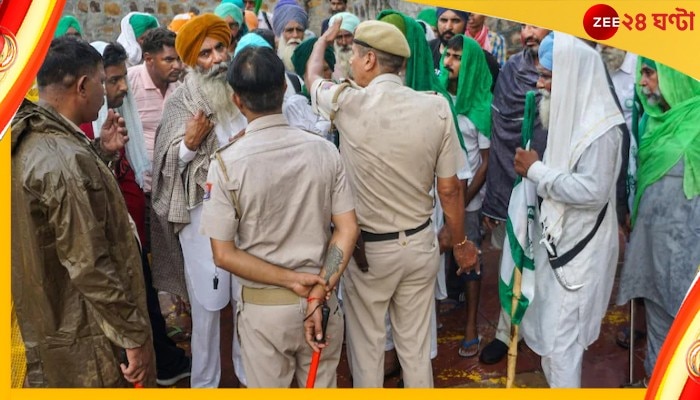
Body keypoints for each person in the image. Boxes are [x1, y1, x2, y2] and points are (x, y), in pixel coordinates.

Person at [307, 19, 479, 388]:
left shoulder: (347, 103)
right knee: (416, 351)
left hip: (372, 253)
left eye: (353, 54)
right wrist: (462, 243)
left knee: (368, 351)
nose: (351, 63)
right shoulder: (435, 108)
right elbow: (449, 189)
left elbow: (311, 79)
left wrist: (321, 41)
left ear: (369, 60)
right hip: (420, 245)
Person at [200, 46, 358, 387]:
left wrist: (291, 282)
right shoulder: (323, 149)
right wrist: (318, 290)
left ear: (236, 100)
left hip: (264, 311)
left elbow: (223, 254)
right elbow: (347, 228)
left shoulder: (226, 163)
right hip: (321, 299)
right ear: (285, 89)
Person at [11, 36, 155, 388]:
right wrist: (132, 334)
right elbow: (88, 262)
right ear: (83, 85)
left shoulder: (38, 137)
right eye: (103, 83)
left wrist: (100, 152)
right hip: (84, 333)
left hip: (53, 320)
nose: (107, 93)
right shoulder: (61, 158)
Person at [514, 32, 625, 388]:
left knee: (563, 348)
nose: (539, 83)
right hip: (558, 246)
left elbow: (592, 191)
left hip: (580, 257)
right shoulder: (569, 113)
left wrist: (536, 171)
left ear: (574, 74)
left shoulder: (601, 129)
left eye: (548, 76)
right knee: (552, 342)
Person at [86, 41, 192, 387]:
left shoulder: (117, 117)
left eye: (121, 79)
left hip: (132, 233)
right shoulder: (88, 130)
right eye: (112, 80)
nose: (121, 88)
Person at [150, 13, 247, 388]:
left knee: (244, 301)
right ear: (192, 61)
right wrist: (190, 144)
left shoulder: (243, 87)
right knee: (207, 308)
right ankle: (204, 384)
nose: (216, 59)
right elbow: (165, 162)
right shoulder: (181, 100)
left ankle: (246, 376)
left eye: (220, 48)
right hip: (201, 216)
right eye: (205, 53)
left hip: (245, 213)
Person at [616, 58, 700, 387]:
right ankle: (655, 384)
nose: (643, 83)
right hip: (652, 253)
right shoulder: (655, 123)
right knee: (658, 330)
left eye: (650, 73)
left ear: (677, 77)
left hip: (689, 266)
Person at [479, 23, 550, 365]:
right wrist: (498, 197)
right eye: (524, 26)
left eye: (536, 24)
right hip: (514, 187)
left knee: (549, 268)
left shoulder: (575, 70)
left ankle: (544, 333)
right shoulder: (510, 71)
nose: (528, 33)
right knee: (512, 262)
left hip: (556, 188)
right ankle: (506, 333)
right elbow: (501, 135)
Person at [440, 34, 492, 358]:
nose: (448, 63)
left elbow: (485, 164)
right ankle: (451, 296)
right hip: (444, 193)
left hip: (469, 197)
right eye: (448, 55)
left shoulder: (482, 106)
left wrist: (463, 201)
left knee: (469, 258)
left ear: (470, 62)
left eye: (457, 57)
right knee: (445, 250)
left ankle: (471, 325)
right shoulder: (439, 98)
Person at [427, 8, 500, 91]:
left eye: (455, 21)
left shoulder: (484, 60)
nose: (448, 27)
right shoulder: (426, 50)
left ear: (466, 23)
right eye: (443, 20)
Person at [272, 1, 309, 71]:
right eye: (290, 30)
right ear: (280, 33)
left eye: (299, 30)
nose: (295, 35)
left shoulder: (313, 63)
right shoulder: (271, 65)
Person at [327, 11, 360, 80]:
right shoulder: (328, 65)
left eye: (348, 36)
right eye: (339, 37)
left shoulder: (366, 62)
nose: (344, 42)